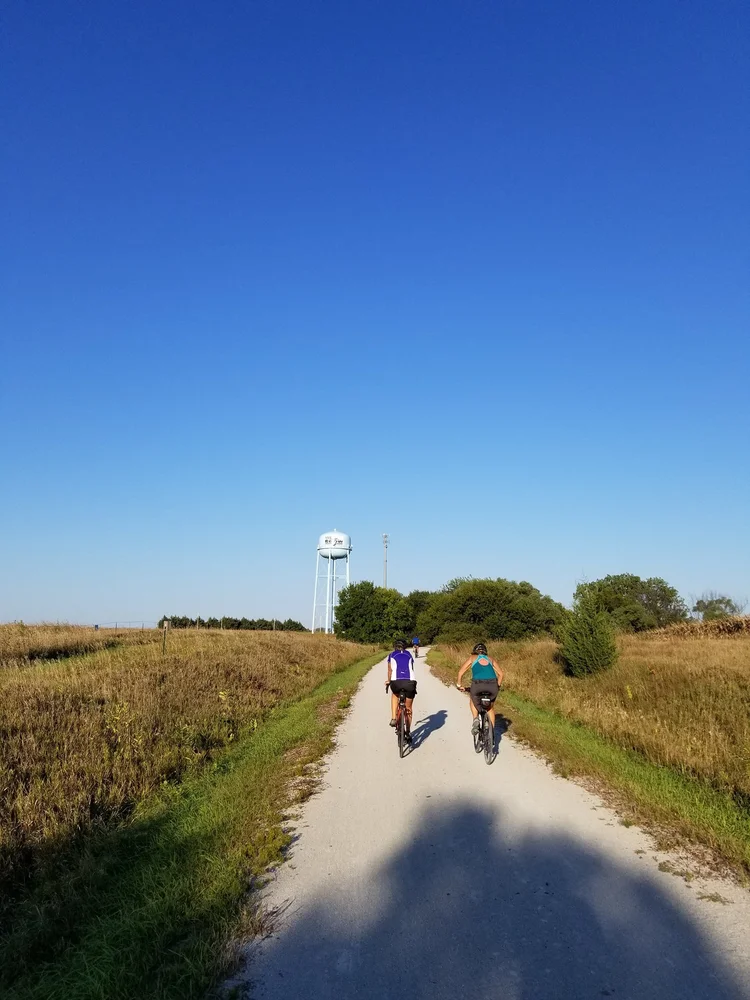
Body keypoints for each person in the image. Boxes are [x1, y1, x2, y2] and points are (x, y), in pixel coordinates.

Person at [456, 642, 504, 734]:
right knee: (490, 708)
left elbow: (460, 672)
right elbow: (501, 674)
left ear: (475, 651)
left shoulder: (472, 658)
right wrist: (497, 686)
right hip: (492, 685)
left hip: (478, 684)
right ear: (485, 651)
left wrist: (459, 685)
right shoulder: (491, 659)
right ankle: (491, 733)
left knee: (473, 699)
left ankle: (475, 719)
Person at [386, 639, 417, 740]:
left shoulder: (392, 655)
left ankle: (394, 718)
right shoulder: (409, 654)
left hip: (396, 682)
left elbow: (390, 670)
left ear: (395, 646)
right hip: (410, 682)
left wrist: (388, 681)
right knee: (409, 708)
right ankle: (408, 731)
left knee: (395, 695)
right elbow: (412, 668)